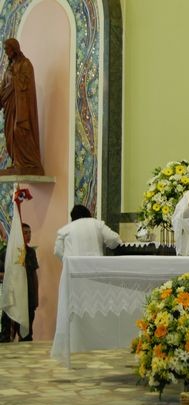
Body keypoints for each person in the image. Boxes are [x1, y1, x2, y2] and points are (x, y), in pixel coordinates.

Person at [0, 38, 44, 176]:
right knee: (9, 134)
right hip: (9, 106)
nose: (6, 52)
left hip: (21, 106)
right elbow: (3, 86)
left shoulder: (26, 64)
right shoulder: (9, 67)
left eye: (7, 49)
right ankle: (16, 161)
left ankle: (28, 163)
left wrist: (14, 77)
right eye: (5, 49)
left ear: (14, 48)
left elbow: (25, 84)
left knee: (19, 131)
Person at [0, 223, 38, 342]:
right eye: (25, 233)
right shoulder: (7, 253)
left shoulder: (31, 252)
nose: (28, 235)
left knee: (26, 335)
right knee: (7, 337)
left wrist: (36, 296)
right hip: (13, 299)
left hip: (28, 296)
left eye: (29, 232)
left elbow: (34, 274)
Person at [54, 205, 122, 258]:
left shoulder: (65, 229)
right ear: (88, 214)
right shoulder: (98, 224)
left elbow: (58, 251)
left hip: (74, 269)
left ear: (72, 217)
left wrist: (67, 262)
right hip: (95, 268)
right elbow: (113, 239)